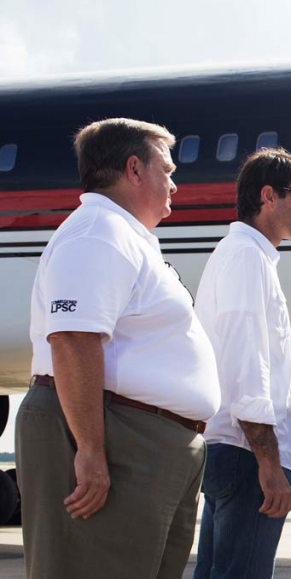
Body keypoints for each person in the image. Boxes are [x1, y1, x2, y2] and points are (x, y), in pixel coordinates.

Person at [17, 118, 220, 579]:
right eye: (166, 171)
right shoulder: (97, 232)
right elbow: (72, 338)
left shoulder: (127, 237)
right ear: (133, 169)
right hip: (118, 436)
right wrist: (89, 449)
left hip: (143, 440)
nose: (174, 184)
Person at [193, 148, 291, 579]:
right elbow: (247, 365)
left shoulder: (244, 255)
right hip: (248, 453)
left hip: (238, 448)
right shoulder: (247, 258)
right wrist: (269, 462)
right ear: (268, 195)